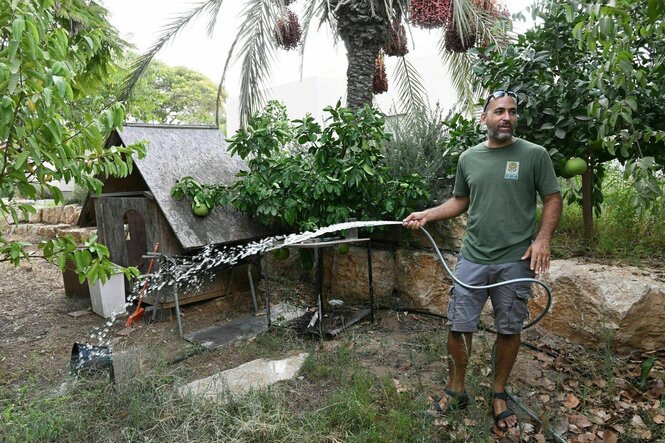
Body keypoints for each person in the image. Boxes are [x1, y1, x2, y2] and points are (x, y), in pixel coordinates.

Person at [403, 90, 563, 432]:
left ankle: (499, 391)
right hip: (472, 258)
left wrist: (543, 239)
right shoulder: (469, 158)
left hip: (515, 260)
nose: (506, 117)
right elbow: (461, 200)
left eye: (512, 112)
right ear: (485, 118)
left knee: (509, 328)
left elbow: (552, 198)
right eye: (499, 111)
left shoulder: (534, 155)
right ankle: (456, 389)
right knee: (459, 325)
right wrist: (428, 214)